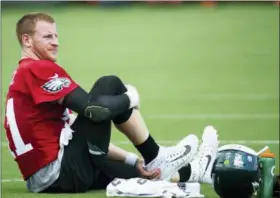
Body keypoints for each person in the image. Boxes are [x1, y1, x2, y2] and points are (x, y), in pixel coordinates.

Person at [4, 12, 219, 194]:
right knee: (109, 84)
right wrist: (130, 98)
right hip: (62, 171)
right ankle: (157, 155)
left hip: (48, 180)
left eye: (56, 36)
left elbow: (78, 132)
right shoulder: (36, 68)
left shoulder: (22, 78)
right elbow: (94, 111)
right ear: (27, 40)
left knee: (145, 174)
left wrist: (132, 160)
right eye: (48, 36)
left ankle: (196, 171)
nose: (56, 42)